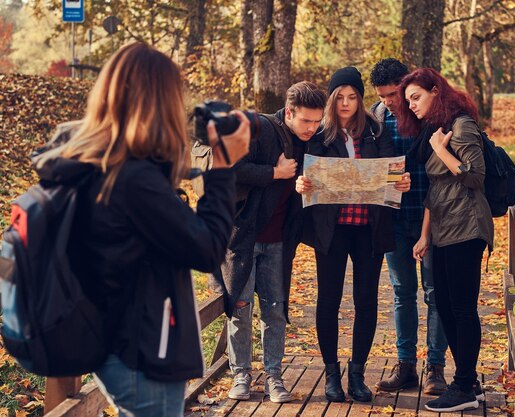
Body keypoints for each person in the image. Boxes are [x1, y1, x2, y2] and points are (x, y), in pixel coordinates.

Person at [33, 42, 250, 417]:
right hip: (141, 350)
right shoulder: (131, 178)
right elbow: (207, 249)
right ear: (157, 100)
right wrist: (224, 166)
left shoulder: (95, 161)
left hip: (112, 339)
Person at [296, 66, 410, 403]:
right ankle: (332, 375)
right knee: (328, 300)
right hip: (331, 229)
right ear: (331, 100)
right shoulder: (319, 135)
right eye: (340, 97)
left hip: (368, 229)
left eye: (352, 97)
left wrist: (400, 182)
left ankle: (357, 373)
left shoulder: (375, 132)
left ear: (360, 100)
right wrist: (299, 183)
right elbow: (303, 172)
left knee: (366, 300)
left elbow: (392, 172)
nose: (346, 103)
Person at [209, 82, 327, 403]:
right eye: (306, 121)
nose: (312, 128)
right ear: (288, 112)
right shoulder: (258, 128)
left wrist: (304, 185)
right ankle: (241, 374)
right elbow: (227, 167)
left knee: (275, 311)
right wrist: (274, 173)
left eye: (317, 121)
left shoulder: (310, 141)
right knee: (240, 308)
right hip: (242, 240)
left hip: (278, 243)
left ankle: (274, 375)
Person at [396, 68, 494, 412]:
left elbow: (474, 177)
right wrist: (425, 235)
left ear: (436, 91)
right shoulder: (434, 130)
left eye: (416, 97)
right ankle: (470, 381)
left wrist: (442, 149)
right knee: (447, 307)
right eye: (408, 101)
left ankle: (464, 385)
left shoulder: (462, 126)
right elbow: (437, 189)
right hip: (443, 228)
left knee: (462, 309)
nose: (412, 105)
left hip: (467, 226)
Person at [369, 58, 448, 394]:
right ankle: (406, 365)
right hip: (395, 220)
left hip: (433, 217)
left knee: (436, 293)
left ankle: (436, 368)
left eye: (392, 93)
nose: (388, 100)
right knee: (403, 293)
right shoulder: (376, 117)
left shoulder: (431, 115)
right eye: (383, 95)